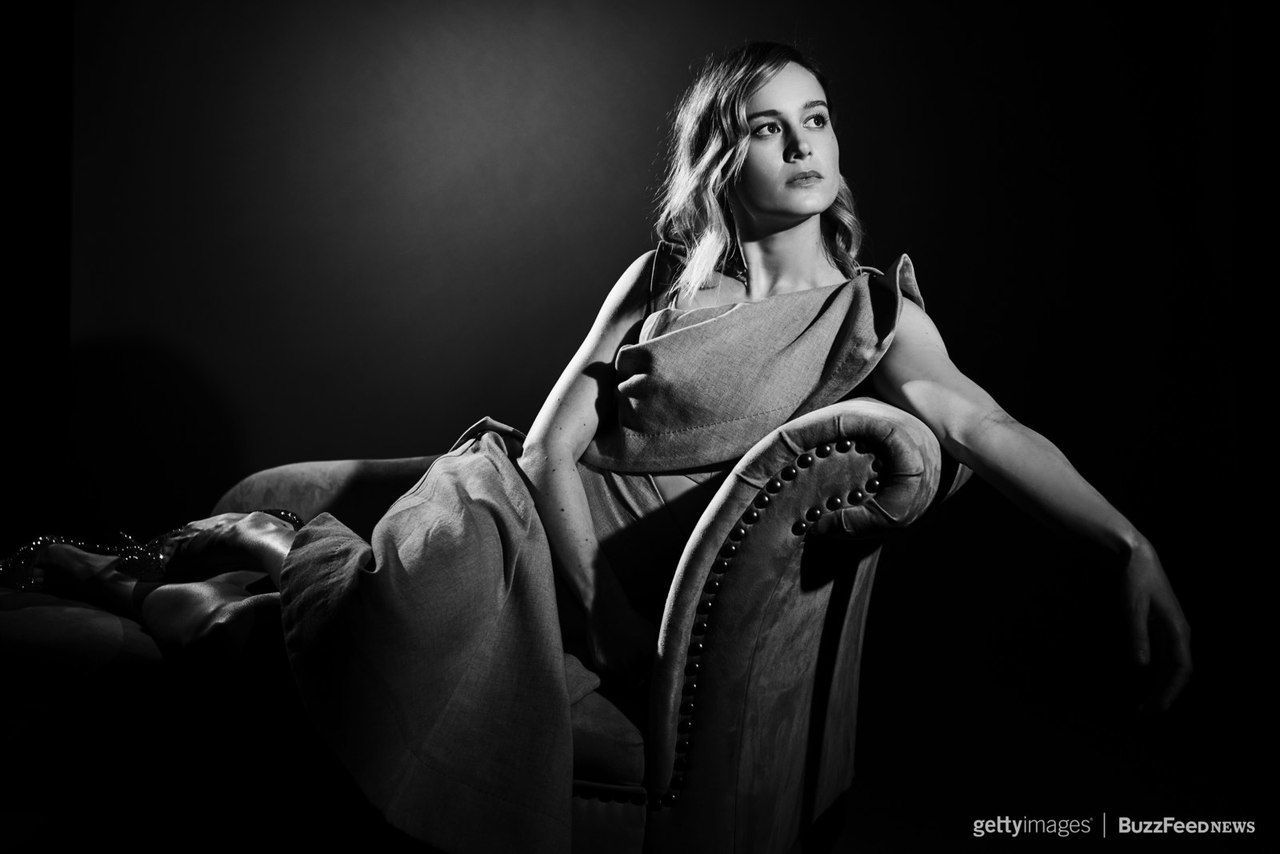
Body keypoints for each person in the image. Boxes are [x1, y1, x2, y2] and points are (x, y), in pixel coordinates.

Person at [5, 41, 1190, 851]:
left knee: (258, 642)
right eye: (767, 127)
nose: (802, 144)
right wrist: (594, 609)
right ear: (723, 159)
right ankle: (249, 549)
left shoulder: (873, 314)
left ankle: (225, 560)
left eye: (816, 119)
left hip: (623, 579)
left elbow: (982, 423)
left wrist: (1124, 541)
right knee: (365, 620)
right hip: (509, 513)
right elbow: (549, 447)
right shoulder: (660, 280)